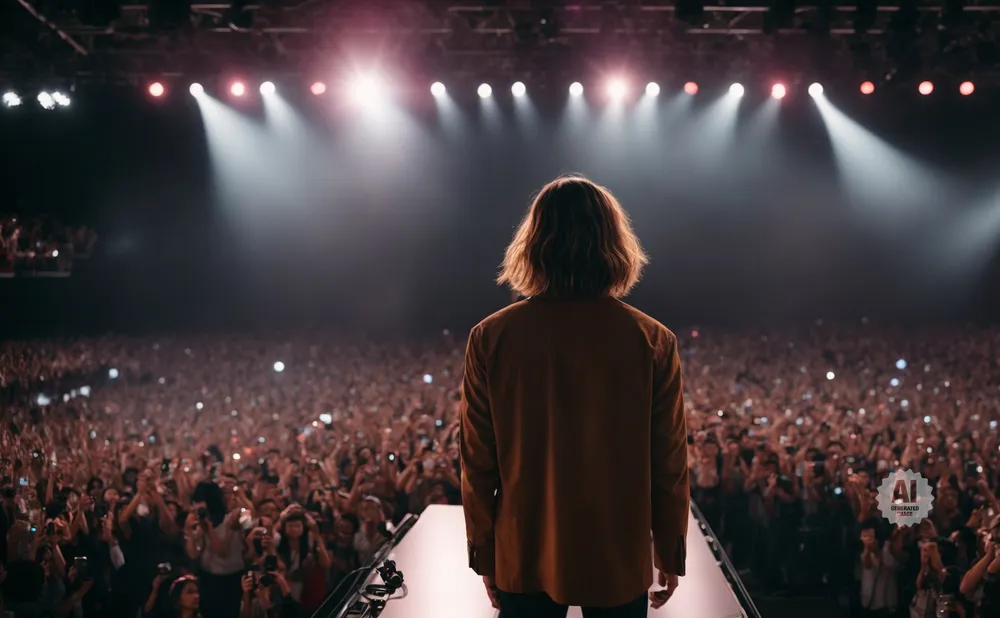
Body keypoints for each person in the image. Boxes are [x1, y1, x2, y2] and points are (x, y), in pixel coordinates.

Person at [460, 175, 690, 618]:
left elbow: (477, 461)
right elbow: (669, 461)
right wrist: (669, 549)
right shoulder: (653, 341)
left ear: (533, 243)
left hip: (522, 549)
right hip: (617, 552)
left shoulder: (490, 338)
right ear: (614, 243)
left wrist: (484, 551)